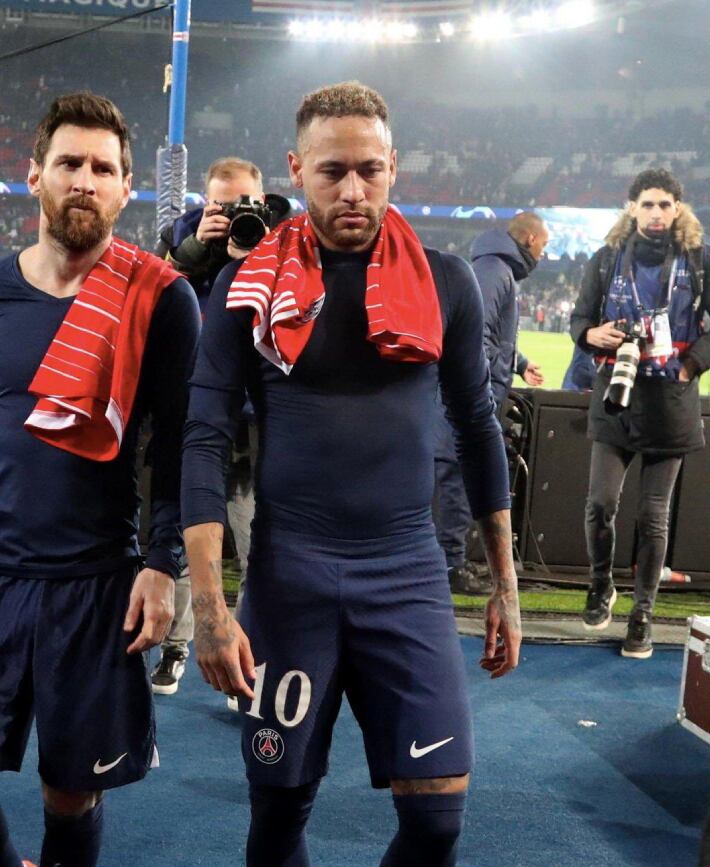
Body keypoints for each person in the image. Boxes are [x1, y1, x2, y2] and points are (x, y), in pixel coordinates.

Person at [182, 81, 522, 867]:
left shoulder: (445, 282)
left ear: (395, 167)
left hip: (407, 572)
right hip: (289, 575)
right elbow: (201, 439)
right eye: (333, 171)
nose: (353, 189)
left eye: (370, 169)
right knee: (277, 818)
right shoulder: (247, 287)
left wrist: (503, 581)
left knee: (437, 822)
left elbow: (478, 428)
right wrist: (207, 602)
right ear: (297, 170)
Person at [0, 92, 200, 867]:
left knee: (73, 789)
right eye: (69, 162)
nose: (85, 179)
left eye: (104, 168)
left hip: (96, 580)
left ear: (125, 188)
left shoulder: (161, 300)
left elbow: (175, 449)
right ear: (34, 175)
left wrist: (162, 565)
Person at [571, 168, 710, 658]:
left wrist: (690, 364)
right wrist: (588, 334)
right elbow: (580, 317)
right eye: (647, 205)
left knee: (652, 517)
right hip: (616, 396)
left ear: (678, 209)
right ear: (631, 208)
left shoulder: (702, 260)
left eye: (665, 205)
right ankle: (601, 583)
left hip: (670, 402)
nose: (656, 214)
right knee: (601, 504)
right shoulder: (604, 260)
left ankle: (642, 612)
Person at [150, 157, 271, 698]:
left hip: (250, 422)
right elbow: (157, 284)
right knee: (181, 541)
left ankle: (245, 654)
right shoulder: (181, 238)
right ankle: (178, 647)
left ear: (263, 201)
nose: (234, 213)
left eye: (246, 203)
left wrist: (256, 251)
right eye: (223, 204)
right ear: (205, 201)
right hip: (191, 414)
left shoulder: (280, 239)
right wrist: (199, 244)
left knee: (254, 545)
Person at [434, 212, 548, 595]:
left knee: (462, 480)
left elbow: (494, 338)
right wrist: (476, 393)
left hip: (479, 395)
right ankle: (450, 566)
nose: (544, 256)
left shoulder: (497, 270)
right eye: (545, 246)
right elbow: (474, 335)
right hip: (471, 400)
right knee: (456, 479)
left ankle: (454, 560)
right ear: (530, 239)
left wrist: (520, 363)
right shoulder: (494, 271)